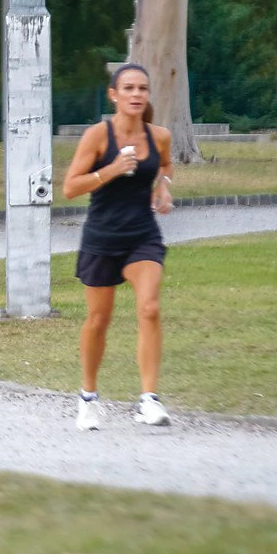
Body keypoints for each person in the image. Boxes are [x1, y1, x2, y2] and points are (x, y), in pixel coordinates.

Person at [62, 62, 174, 431]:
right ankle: (89, 398)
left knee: (150, 307)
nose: (136, 95)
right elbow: (70, 187)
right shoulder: (98, 135)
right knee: (98, 320)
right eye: (128, 88)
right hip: (102, 236)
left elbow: (166, 166)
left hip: (143, 234)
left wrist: (163, 187)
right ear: (114, 94)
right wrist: (110, 170)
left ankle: (148, 399)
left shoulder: (159, 136)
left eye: (142, 88)